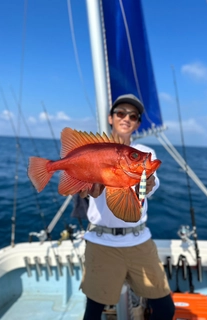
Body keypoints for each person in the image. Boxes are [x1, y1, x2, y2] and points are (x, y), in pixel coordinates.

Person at [79, 94, 175, 320]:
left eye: (133, 115)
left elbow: (148, 187)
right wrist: (82, 186)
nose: (126, 118)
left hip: (139, 240)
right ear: (110, 118)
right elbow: (84, 186)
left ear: (138, 123)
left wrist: (147, 183)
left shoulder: (144, 153)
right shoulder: (94, 150)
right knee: (93, 312)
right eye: (120, 113)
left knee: (165, 309)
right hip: (100, 241)